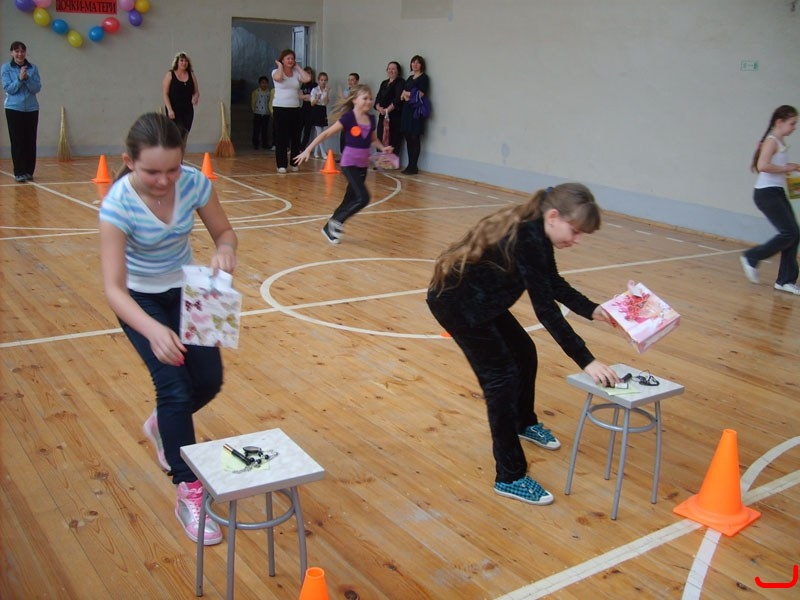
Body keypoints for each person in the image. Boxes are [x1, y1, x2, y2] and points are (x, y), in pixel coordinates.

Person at [426, 183, 620, 506]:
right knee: (500, 380)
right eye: (575, 231)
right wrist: (587, 360)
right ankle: (510, 476)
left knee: (524, 353)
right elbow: (546, 311)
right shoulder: (529, 238)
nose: (577, 240)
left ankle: (524, 422)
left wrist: (593, 310)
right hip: (459, 305)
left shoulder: (538, 231)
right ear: (554, 216)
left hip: (483, 302)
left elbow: (552, 282)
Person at [98, 112, 238, 545]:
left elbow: (225, 232)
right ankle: (188, 491)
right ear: (129, 162)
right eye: (152, 172)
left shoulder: (194, 183)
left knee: (209, 381)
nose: (164, 181)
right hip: (139, 299)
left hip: (187, 289)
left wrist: (224, 252)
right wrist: (153, 330)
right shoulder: (117, 205)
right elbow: (113, 288)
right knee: (174, 388)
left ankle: (163, 425)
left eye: (172, 170)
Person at [294, 84, 394, 244]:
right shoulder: (348, 119)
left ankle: (329, 227)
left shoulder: (371, 119)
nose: (369, 101)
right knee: (363, 198)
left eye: (370, 98)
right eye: (365, 98)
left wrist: (383, 148)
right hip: (349, 165)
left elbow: (373, 139)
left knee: (350, 199)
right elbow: (326, 134)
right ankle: (336, 222)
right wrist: (307, 150)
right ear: (355, 100)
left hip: (362, 166)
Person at [740, 105, 800, 295]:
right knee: (789, 232)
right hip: (766, 194)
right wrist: (787, 168)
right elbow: (763, 166)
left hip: (776, 191)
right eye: (792, 123)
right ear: (779, 122)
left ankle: (785, 281)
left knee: (794, 233)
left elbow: (776, 165)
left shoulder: (779, 141)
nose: (794, 127)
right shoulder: (771, 141)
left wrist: (792, 167)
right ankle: (752, 257)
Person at [2, 41, 42, 182]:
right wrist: (19, 79)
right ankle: (19, 172)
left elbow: (36, 88)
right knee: (17, 141)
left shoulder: (33, 68)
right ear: (12, 53)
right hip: (14, 108)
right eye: (17, 51)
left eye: (22, 51)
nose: (20, 54)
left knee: (30, 140)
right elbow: (9, 89)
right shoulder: (6, 68)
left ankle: (29, 171)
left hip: (31, 108)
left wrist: (27, 78)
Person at [271, 49, 312, 174]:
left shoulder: (296, 73)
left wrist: (298, 67)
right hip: (280, 108)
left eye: (292, 58)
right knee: (281, 137)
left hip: (295, 108)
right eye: (287, 58)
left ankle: (294, 163)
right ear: (282, 60)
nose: (290, 60)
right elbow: (278, 78)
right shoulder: (275, 72)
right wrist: (280, 66)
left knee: (296, 137)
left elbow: (307, 78)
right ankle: (281, 165)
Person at [399, 55, 430, 175]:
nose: (415, 64)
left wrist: (407, 94)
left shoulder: (424, 78)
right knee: (408, 137)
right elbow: (402, 95)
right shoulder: (409, 78)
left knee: (414, 137)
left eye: (418, 63)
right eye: (413, 62)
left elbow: (420, 94)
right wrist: (406, 94)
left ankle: (414, 165)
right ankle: (409, 165)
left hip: (416, 111)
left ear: (422, 65)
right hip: (407, 110)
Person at [162, 52, 199, 142]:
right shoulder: (170, 75)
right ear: (177, 62)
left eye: (186, 61)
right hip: (174, 110)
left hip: (187, 110)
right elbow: (165, 93)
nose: (184, 63)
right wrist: (169, 109)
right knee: (177, 133)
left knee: (184, 134)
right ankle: (174, 150)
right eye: (181, 61)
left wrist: (195, 97)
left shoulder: (191, 74)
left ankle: (181, 150)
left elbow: (196, 91)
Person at [374, 61, 404, 155]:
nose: (391, 71)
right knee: (380, 138)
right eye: (389, 69)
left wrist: (387, 110)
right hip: (382, 116)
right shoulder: (384, 83)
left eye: (393, 69)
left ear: (398, 71)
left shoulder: (400, 82)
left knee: (392, 140)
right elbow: (378, 97)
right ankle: (381, 160)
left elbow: (398, 99)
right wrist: (378, 108)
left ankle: (391, 161)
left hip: (394, 117)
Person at [309, 71, 331, 159]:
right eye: (321, 80)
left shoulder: (326, 90)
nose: (323, 82)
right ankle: (323, 152)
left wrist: (327, 93)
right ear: (318, 80)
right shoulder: (314, 90)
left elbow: (326, 102)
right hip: (316, 110)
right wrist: (317, 98)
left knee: (320, 133)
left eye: (325, 80)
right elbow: (312, 103)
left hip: (323, 110)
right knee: (319, 133)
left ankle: (315, 152)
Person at [338, 72, 360, 156]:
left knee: (353, 136)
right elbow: (342, 103)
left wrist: (343, 98)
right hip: (345, 115)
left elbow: (350, 102)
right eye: (349, 80)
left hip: (354, 117)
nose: (350, 82)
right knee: (343, 136)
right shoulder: (346, 91)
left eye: (352, 80)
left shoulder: (359, 91)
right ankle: (343, 155)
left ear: (357, 81)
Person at [251, 75, 271, 150]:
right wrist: (254, 110)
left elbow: (270, 102)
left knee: (265, 129)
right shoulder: (256, 92)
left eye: (266, 83)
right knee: (256, 129)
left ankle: (264, 143)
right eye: (262, 83)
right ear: (259, 84)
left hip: (266, 113)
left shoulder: (269, 92)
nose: (264, 84)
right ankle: (255, 143)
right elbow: (253, 102)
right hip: (257, 113)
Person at [299, 66, 316, 150]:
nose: (307, 75)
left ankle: (302, 148)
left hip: (311, 110)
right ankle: (297, 146)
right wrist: (306, 96)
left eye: (309, 73)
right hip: (303, 110)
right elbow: (300, 96)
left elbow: (313, 98)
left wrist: (306, 97)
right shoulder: (303, 85)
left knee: (307, 131)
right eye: (306, 73)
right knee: (298, 129)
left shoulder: (315, 85)